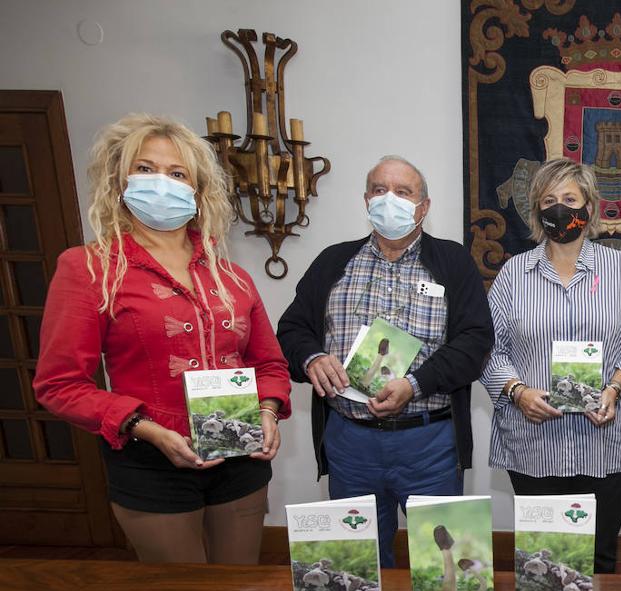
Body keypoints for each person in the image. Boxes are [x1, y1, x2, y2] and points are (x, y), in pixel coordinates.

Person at [33, 113, 290, 563]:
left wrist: (267, 411)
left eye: (176, 174)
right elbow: (59, 385)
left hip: (240, 458)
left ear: (197, 189)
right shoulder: (90, 269)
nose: (161, 183)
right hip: (149, 463)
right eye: (146, 169)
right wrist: (147, 429)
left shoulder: (231, 276)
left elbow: (269, 364)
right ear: (120, 181)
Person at [277, 156, 492, 567]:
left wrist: (416, 384)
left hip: (429, 441)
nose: (389, 199)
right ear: (366, 200)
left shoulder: (453, 263)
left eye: (403, 192)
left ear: (423, 206)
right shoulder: (332, 262)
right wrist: (312, 357)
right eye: (379, 190)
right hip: (350, 441)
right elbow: (291, 330)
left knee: (449, 566)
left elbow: (475, 342)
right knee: (359, 569)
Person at [481, 157, 621, 574]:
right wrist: (516, 392)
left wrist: (615, 389)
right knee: (543, 561)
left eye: (569, 198)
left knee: (599, 562)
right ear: (536, 211)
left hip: (606, 444)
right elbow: (489, 348)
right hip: (533, 446)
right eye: (549, 200)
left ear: (589, 208)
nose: (559, 208)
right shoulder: (513, 274)